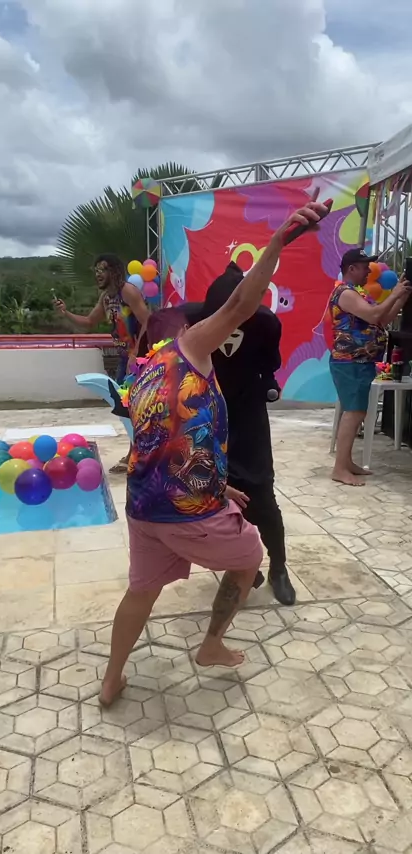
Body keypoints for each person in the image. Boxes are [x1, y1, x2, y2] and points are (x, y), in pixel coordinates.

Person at [99, 196, 328, 706]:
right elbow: (241, 304)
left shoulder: (148, 368)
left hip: (143, 507)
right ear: (187, 330)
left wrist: (217, 485)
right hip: (184, 512)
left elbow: (164, 443)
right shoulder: (191, 347)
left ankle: (112, 678)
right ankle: (211, 644)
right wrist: (277, 241)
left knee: (141, 591)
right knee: (248, 558)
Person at [197, 262, 295, 606]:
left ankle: (278, 567)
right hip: (209, 417)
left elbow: (269, 365)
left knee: (261, 496)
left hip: (249, 415)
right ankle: (243, 565)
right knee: (210, 498)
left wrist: (268, 384)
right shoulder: (194, 322)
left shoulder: (266, 324)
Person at [54, 253, 149, 472]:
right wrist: (66, 312)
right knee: (124, 407)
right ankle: (135, 453)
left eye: (103, 269)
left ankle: (135, 455)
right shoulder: (106, 298)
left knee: (134, 408)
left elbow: (147, 321)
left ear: (114, 271)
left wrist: (136, 352)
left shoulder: (128, 292)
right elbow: (89, 322)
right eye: (96, 270)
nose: (98, 274)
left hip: (140, 358)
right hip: (125, 357)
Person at [329, 248, 411, 487]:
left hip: (361, 362)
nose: (369, 271)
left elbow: (383, 319)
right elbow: (374, 315)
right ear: (351, 268)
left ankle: (347, 462)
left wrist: (401, 296)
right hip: (349, 362)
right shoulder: (345, 293)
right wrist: (394, 293)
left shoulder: (359, 293)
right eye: (365, 267)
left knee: (358, 412)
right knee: (353, 413)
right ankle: (339, 468)